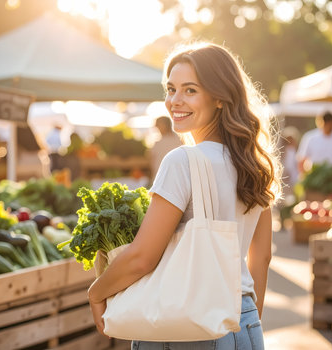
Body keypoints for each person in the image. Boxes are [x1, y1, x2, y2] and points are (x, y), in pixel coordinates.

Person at [88, 42, 281, 349]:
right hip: (244, 321)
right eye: (171, 89)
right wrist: (241, 322)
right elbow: (263, 257)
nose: (175, 101)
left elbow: (142, 258)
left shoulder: (182, 162)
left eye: (190, 90)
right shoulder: (254, 165)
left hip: (186, 325)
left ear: (219, 97)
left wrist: (96, 292)